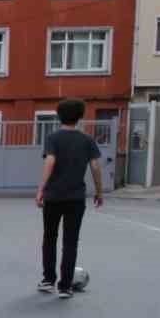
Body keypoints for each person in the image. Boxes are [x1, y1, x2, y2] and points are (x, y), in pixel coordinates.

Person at [36, 98, 105, 299]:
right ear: (80, 116)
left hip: (54, 196)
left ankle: (48, 280)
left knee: (49, 238)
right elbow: (95, 167)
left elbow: (50, 161)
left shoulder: (53, 138)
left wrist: (41, 188)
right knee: (70, 241)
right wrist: (99, 191)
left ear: (59, 116)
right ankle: (65, 287)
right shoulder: (86, 140)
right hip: (76, 198)